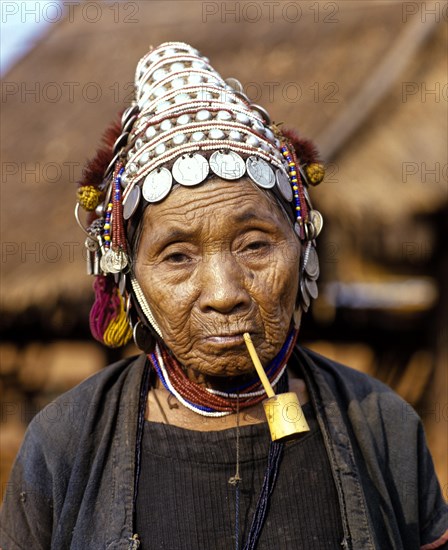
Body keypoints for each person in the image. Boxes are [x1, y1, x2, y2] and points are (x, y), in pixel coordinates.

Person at [1, 41, 447, 550]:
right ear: (130, 280)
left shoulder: (382, 426)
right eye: (177, 257)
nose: (224, 293)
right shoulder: (64, 444)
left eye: (255, 245)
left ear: (303, 250)